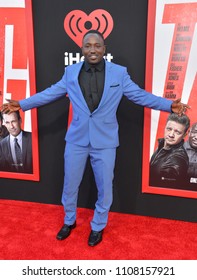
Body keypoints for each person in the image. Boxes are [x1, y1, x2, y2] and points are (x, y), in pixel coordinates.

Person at [1, 30, 190, 246]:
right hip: (76, 140)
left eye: (97, 45)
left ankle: (98, 226)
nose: (92, 49)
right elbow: (50, 93)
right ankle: (69, 220)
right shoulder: (70, 72)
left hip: (105, 142)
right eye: (88, 45)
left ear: (104, 49)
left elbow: (140, 96)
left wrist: (169, 106)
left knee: (105, 187)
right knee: (70, 185)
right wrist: (23, 104)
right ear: (82, 49)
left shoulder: (119, 74)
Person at [149, 113, 190, 189]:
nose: (171, 135)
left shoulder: (177, 159)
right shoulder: (162, 145)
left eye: (177, 132)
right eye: (169, 129)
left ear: (185, 134)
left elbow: (164, 188)